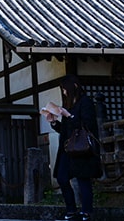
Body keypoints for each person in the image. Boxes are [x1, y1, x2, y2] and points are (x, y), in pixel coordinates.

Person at [47, 74, 102, 221]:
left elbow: (88, 125)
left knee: (83, 179)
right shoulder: (68, 105)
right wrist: (54, 123)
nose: (64, 92)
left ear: (74, 87)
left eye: (65, 89)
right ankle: (71, 210)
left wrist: (70, 116)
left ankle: (86, 211)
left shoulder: (86, 102)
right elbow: (66, 131)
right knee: (62, 177)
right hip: (68, 147)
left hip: (82, 148)